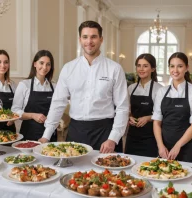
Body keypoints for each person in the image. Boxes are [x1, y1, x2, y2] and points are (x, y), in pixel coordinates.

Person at [41, 21, 129, 153]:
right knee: (75, 172)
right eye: (85, 37)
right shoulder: (68, 68)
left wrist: (114, 138)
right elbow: (58, 103)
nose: (89, 41)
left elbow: (123, 107)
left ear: (101, 39)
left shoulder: (114, 69)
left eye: (93, 36)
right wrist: (46, 136)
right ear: (80, 39)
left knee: (108, 173)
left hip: (105, 132)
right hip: (76, 131)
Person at [152, 52, 192, 162]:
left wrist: (178, 146)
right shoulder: (162, 92)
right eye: (172, 66)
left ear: (187, 68)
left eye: (180, 66)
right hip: (165, 146)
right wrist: (160, 146)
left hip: (187, 146)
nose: (175, 70)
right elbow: (156, 122)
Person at [11, 50, 57, 141]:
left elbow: (57, 111)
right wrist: (33, 115)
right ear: (35, 64)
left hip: (49, 134)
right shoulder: (24, 85)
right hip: (29, 133)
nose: (44, 67)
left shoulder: (55, 87)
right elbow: (14, 111)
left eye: (48, 64)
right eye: (41, 63)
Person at [125, 53, 163, 157]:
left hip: (150, 136)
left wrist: (148, 118)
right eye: (139, 65)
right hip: (132, 135)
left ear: (153, 69)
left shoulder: (159, 89)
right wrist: (129, 117)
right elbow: (126, 110)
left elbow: (163, 114)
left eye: (145, 66)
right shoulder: (131, 88)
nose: (141, 69)